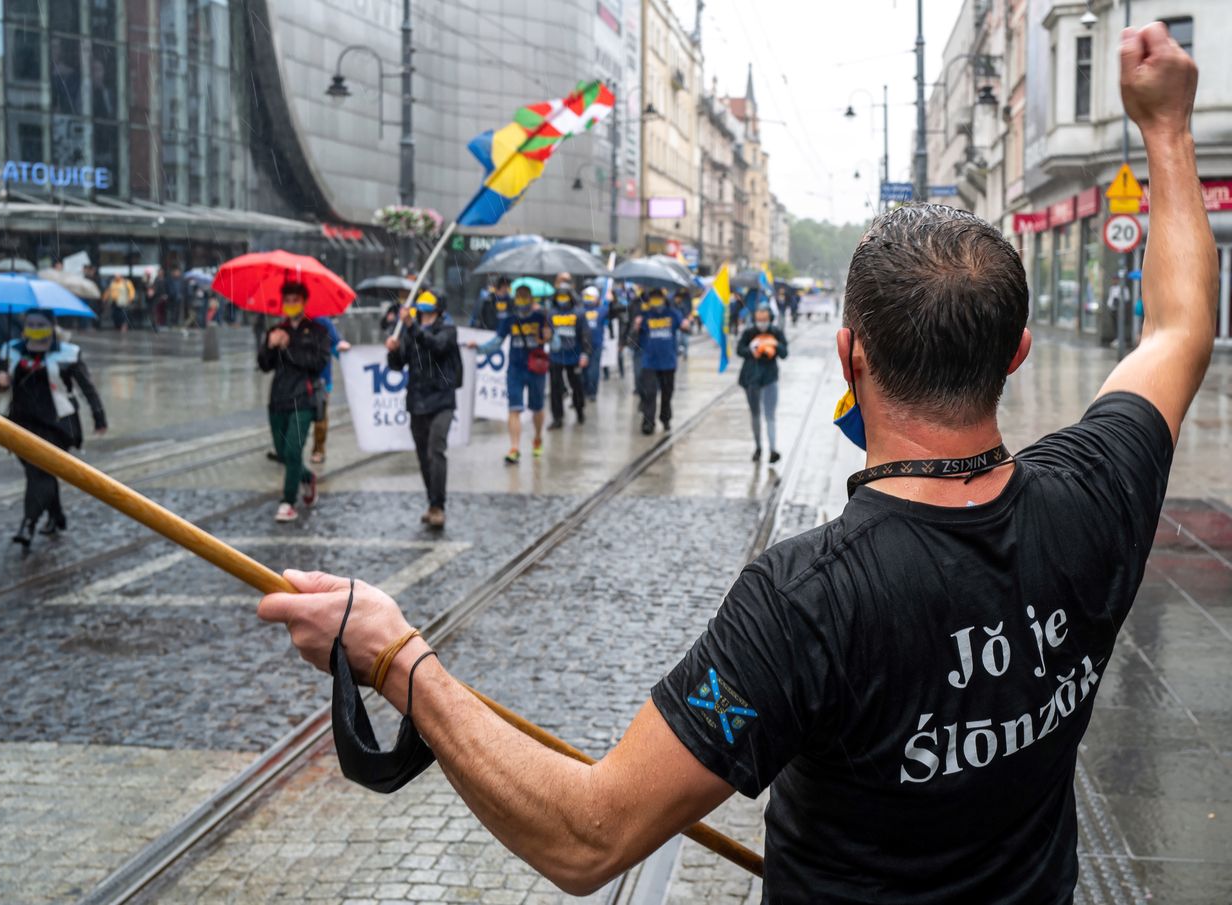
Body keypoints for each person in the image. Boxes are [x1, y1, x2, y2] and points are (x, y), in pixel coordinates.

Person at [258, 26, 1217, 902]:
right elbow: (1180, 325)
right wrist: (1167, 129)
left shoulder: (807, 601)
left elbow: (586, 837)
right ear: (1016, 354)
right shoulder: (1098, 492)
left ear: (850, 358)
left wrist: (394, 656)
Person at [0, 308, 107, 548]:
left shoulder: (68, 354)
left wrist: (98, 416)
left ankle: (28, 524)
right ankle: (56, 515)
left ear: (52, 326)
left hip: (58, 425)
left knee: (39, 471)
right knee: (42, 472)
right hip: (20, 423)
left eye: (41, 324)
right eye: (30, 324)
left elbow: (87, 387)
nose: (35, 329)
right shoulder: (11, 351)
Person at [257, 281, 331, 523]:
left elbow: (317, 363)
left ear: (304, 302)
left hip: (304, 399)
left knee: (292, 450)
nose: (290, 305)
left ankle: (288, 502)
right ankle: (307, 478)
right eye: (286, 300)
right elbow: (265, 365)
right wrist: (270, 346)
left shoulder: (318, 331)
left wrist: (288, 348)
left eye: (294, 300)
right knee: (283, 453)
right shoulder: (276, 329)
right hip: (278, 399)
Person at [386, 291, 460, 529]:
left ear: (438, 311)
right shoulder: (410, 332)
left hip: (442, 401)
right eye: (422, 310)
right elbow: (398, 364)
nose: (425, 315)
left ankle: (438, 505)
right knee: (423, 457)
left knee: (435, 451)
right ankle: (432, 501)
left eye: (429, 310)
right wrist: (394, 350)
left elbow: (437, 347)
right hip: (417, 402)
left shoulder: (448, 330)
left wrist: (411, 327)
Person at [471, 284, 552, 464]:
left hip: (536, 370)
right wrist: (477, 350)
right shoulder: (509, 319)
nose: (521, 299)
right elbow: (496, 343)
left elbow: (557, 345)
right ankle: (514, 447)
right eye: (519, 296)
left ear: (531, 298)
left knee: (537, 408)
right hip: (515, 370)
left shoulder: (542, 317)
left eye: (525, 296)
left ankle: (538, 437)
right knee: (514, 408)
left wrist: (549, 336)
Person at [736, 303, 788, 463]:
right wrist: (752, 350)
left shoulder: (776, 332)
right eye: (759, 319)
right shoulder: (749, 333)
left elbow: (785, 353)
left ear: (770, 318)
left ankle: (773, 450)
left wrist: (774, 344)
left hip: (770, 378)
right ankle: (758, 447)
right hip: (751, 379)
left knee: (770, 415)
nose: (762, 322)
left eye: (765, 319)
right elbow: (739, 350)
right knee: (755, 414)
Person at [634, 287, 690, 435]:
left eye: (658, 298)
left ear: (664, 300)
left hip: (668, 361)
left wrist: (686, 325)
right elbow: (635, 340)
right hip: (650, 361)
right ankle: (648, 422)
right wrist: (637, 326)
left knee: (667, 393)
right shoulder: (645, 315)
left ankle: (665, 418)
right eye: (653, 299)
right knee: (649, 393)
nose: (656, 302)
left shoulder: (673, 314)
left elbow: (684, 327)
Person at [546, 282, 591, 428]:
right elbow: (546, 333)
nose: (562, 299)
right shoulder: (551, 313)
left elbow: (585, 335)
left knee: (576, 386)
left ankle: (579, 410)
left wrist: (585, 354)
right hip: (556, 356)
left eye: (565, 296)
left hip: (574, 356)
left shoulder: (579, 313)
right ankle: (557, 417)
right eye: (560, 296)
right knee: (555, 388)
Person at [309, 316, 351, 465]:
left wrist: (347, 355)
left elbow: (335, 345)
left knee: (320, 417)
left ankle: (318, 450)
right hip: (297, 381)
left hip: (321, 380)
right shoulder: (290, 322)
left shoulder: (322, 322)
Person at [581, 285, 607, 402]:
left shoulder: (601, 310)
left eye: (591, 297)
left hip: (596, 344)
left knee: (593, 370)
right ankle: (584, 391)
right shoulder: (580, 311)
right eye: (586, 296)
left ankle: (592, 392)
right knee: (583, 371)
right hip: (582, 345)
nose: (588, 299)